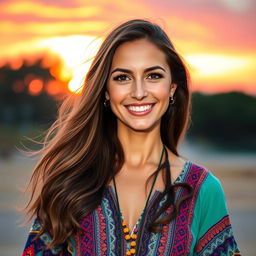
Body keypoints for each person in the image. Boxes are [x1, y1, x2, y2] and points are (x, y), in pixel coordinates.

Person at [22, 19, 241, 256]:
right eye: (122, 78)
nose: (138, 92)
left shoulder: (203, 189)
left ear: (172, 88)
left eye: (153, 76)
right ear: (106, 91)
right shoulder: (68, 182)